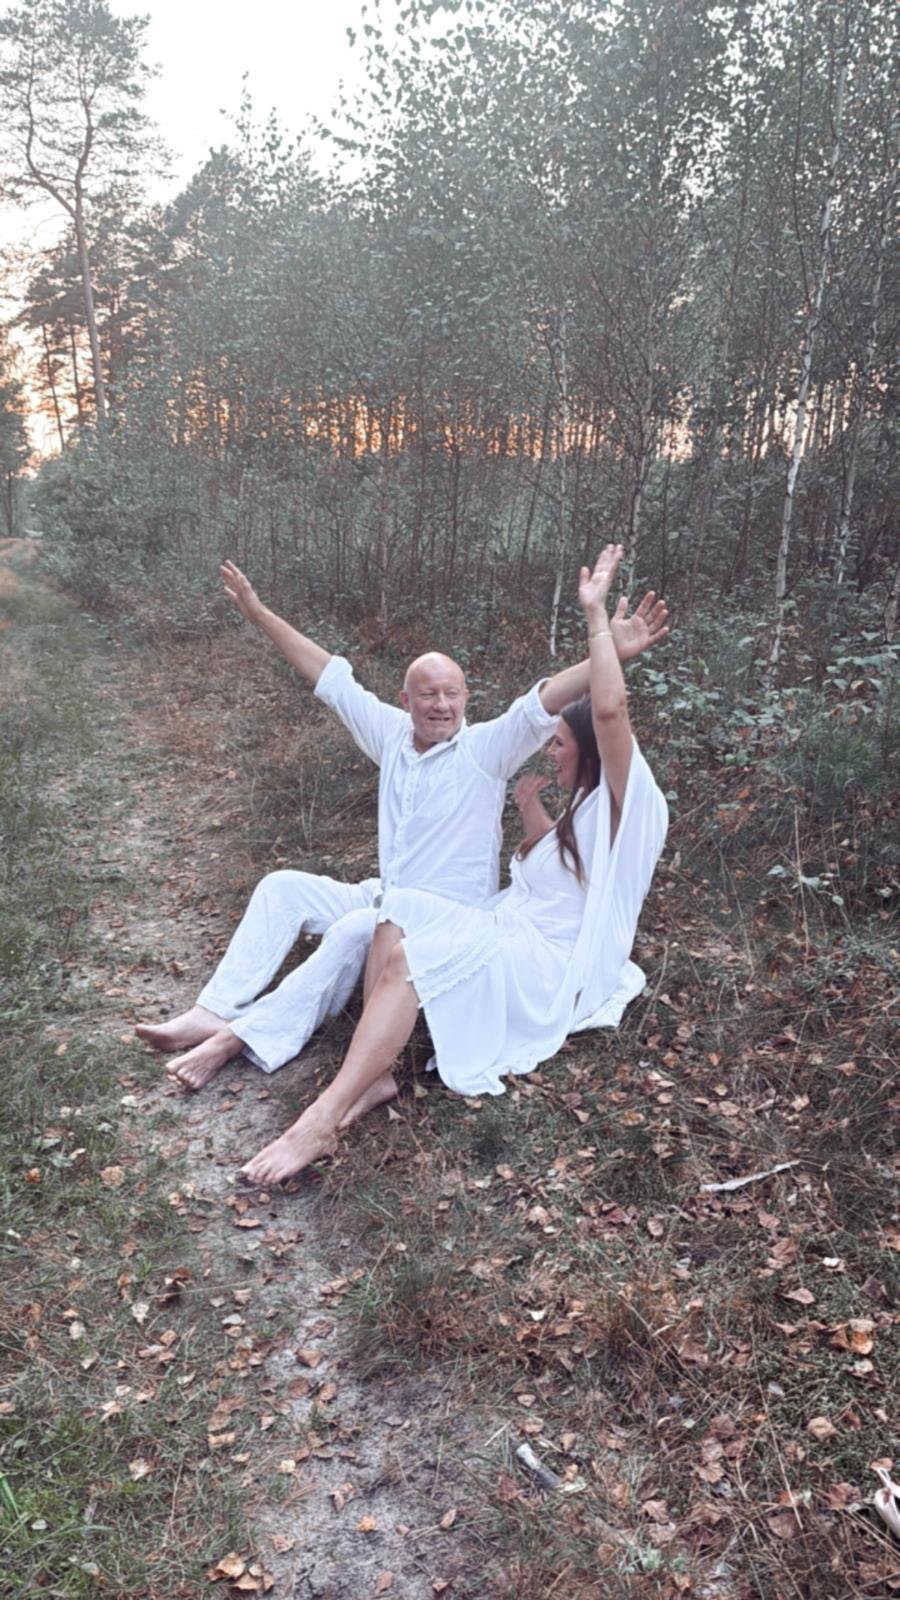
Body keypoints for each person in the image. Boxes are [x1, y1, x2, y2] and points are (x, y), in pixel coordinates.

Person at [137, 559, 667, 1091]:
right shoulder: (391, 735)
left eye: (453, 694)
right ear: (406, 700)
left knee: (352, 931)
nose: (442, 706)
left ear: (466, 698)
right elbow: (330, 677)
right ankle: (213, 1010)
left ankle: (240, 1038)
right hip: (384, 894)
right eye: (429, 695)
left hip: (445, 918)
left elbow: (545, 700)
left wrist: (610, 654)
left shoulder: (487, 749)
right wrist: (259, 614)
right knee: (281, 888)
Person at [241, 545, 668, 1186]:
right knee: (397, 906)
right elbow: (557, 872)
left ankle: (322, 1117)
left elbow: (607, 710)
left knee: (411, 958)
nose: (549, 754)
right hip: (508, 925)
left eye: (559, 745)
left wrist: (598, 620)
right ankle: (371, 1070)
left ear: (594, 750)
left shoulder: (631, 804)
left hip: (551, 963)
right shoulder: (582, 809)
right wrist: (532, 812)